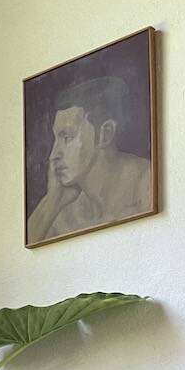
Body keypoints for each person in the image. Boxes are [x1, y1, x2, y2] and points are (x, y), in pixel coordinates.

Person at [27, 75, 152, 244]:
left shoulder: (147, 184)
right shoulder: (64, 209)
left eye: (67, 137)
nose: (53, 155)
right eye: (55, 138)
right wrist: (51, 202)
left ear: (104, 134)